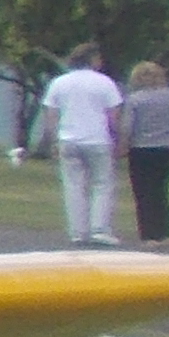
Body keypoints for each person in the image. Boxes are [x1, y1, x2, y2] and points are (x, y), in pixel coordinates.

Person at [36, 46, 127, 243]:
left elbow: (51, 114)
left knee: (73, 185)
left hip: (68, 138)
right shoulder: (104, 82)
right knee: (102, 184)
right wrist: (117, 138)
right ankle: (99, 228)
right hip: (97, 139)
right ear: (92, 59)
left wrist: (52, 140)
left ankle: (77, 231)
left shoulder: (59, 83)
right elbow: (114, 115)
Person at [122, 59, 169, 245]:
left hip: (142, 148)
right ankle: (165, 231)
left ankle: (149, 234)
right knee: (161, 190)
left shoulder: (135, 100)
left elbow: (128, 126)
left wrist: (122, 146)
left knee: (144, 191)